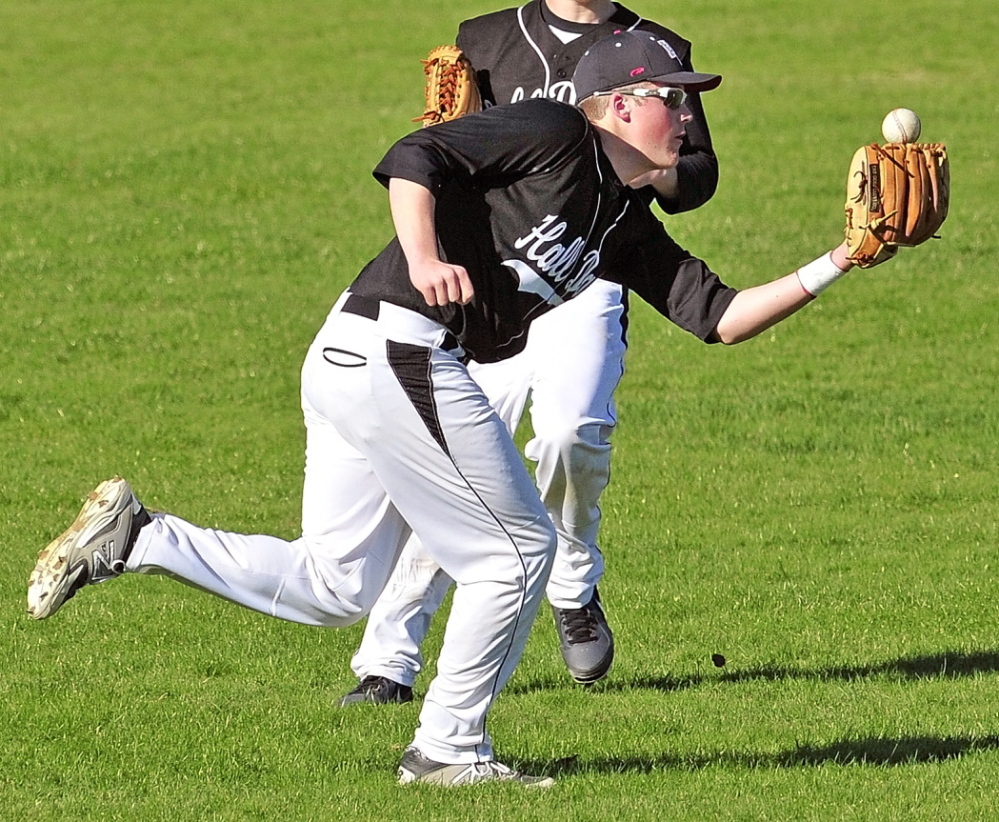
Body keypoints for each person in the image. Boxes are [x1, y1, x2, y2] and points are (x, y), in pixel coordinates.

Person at [28, 31, 872, 786]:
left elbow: (717, 317)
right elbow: (412, 155)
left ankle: (140, 537)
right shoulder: (554, 133)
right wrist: (427, 255)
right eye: (671, 97)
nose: (685, 117)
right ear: (617, 106)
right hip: (397, 344)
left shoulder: (621, 222)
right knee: (514, 555)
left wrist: (844, 257)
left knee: (335, 584)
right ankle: (447, 749)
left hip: (368, 356)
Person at [339, 0, 719, 706]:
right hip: (489, 284)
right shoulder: (483, 37)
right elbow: (454, 153)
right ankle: (388, 659)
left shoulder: (654, 46)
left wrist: (641, 165)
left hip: (592, 272)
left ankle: (572, 582)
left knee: (573, 433)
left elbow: (696, 176)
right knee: (455, 466)